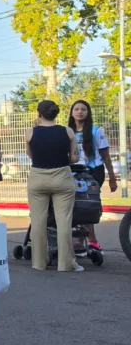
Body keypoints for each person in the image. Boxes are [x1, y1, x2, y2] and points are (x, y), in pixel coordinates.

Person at [27, 100, 81, 272]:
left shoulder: (30, 132)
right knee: (64, 221)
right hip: (62, 176)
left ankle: (39, 262)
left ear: (39, 113)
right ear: (56, 113)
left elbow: (31, 155)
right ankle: (66, 264)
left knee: (38, 221)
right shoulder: (67, 131)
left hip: (37, 177)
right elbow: (75, 158)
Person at [68, 99, 116, 253]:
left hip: (93, 172)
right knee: (74, 206)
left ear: (88, 113)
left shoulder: (96, 132)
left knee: (87, 205)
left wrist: (112, 179)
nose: (80, 112)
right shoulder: (67, 131)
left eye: (83, 109)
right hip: (72, 172)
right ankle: (79, 242)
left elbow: (106, 157)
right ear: (72, 113)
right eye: (76, 109)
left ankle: (92, 242)